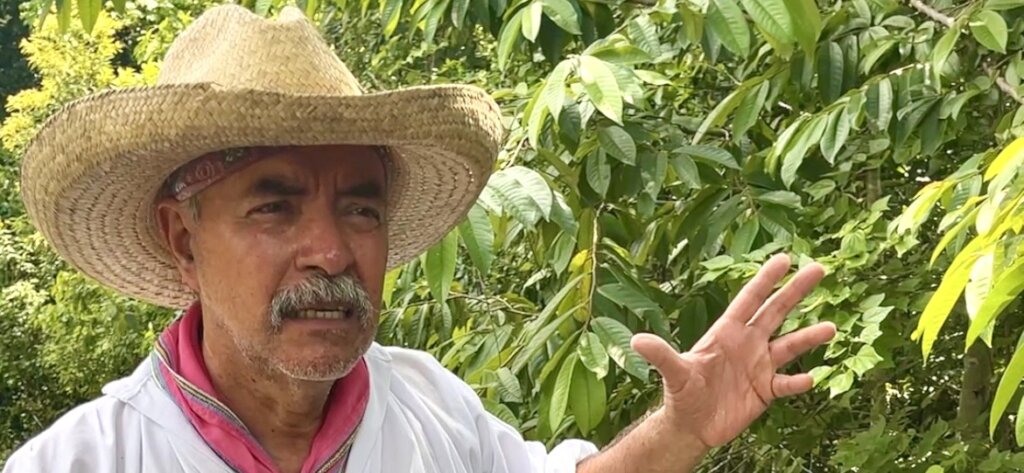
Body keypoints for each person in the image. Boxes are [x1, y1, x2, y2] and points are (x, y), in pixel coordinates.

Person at [2, 4, 837, 473]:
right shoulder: (82, 461)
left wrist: (681, 428)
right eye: (275, 206)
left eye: (361, 207)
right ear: (181, 236)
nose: (331, 250)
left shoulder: (427, 405)